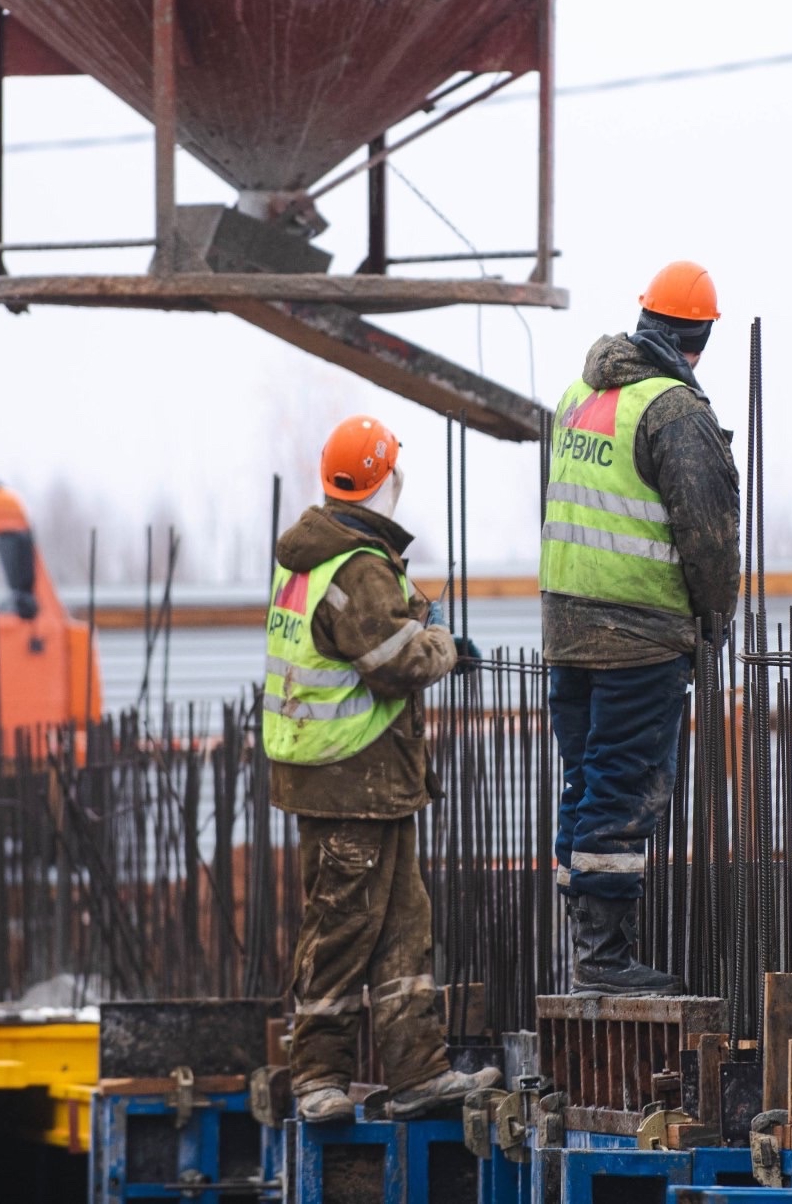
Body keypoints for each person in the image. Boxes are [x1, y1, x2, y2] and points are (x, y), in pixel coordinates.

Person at [267, 414, 500, 1124]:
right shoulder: (357, 565)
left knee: (402, 927)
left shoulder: (324, 556)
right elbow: (395, 663)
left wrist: (423, 619)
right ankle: (317, 1078)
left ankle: (417, 1073)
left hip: (366, 783)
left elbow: (381, 628)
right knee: (342, 928)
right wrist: (445, 648)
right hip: (350, 781)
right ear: (383, 479)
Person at [538, 260, 741, 993]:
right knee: (623, 790)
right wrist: (714, 622)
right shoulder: (673, 411)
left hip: (568, 633)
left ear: (645, 317)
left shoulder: (578, 396)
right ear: (702, 336)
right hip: (638, 638)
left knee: (587, 782)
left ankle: (588, 943)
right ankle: (604, 959)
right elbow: (709, 538)